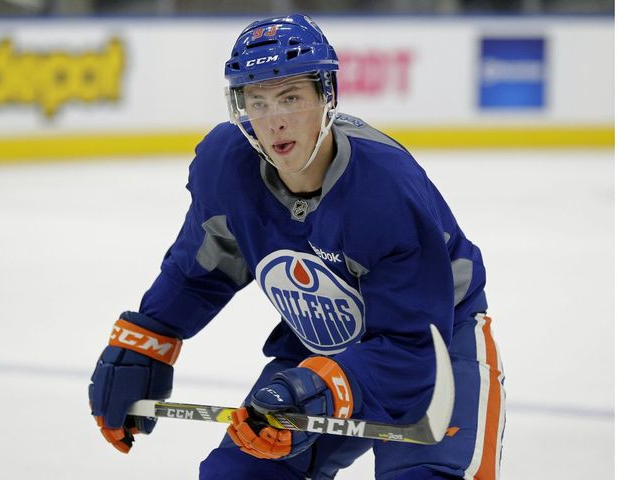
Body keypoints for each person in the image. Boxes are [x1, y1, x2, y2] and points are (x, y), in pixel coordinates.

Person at [88, 14, 505, 480]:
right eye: (258, 102)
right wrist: (149, 339)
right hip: (321, 352)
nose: (275, 121)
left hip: (437, 348)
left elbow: (410, 348)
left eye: (291, 97)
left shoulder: (385, 188)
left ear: (327, 96)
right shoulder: (226, 166)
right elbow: (202, 268)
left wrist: (316, 388)